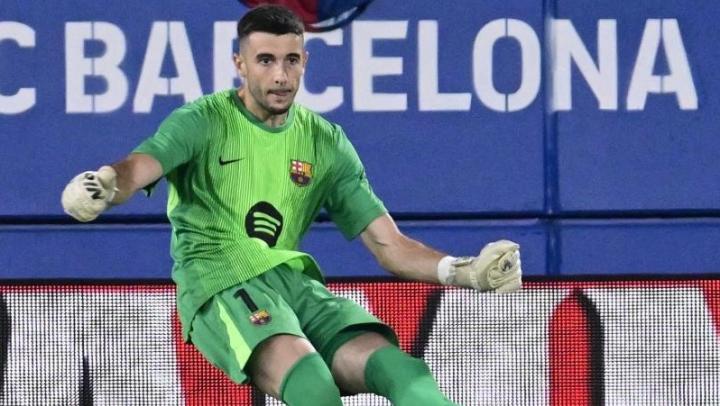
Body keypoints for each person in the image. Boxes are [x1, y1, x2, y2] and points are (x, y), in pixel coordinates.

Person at [61, 5, 522, 405]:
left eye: (291, 60)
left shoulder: (325, 142)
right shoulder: (202, 121)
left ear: (305, 62)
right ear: (240, 64)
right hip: (219, 281)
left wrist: (462, 271)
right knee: (314, 386)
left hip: (291, 282)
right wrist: (104, 184)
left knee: (402, 371)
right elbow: (140, 167)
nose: (280, 76)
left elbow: (389, 245)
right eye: (265, 60)